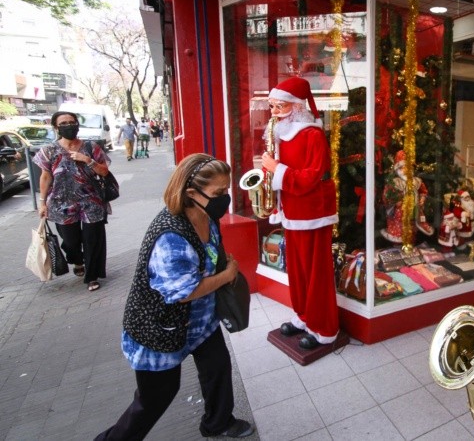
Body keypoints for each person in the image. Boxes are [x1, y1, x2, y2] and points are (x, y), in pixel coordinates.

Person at [94, 154, 253, 440]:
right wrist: (227, 276)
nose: (225, 198)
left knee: (217, 367)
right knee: (154, 399)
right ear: (191, 193)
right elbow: (183, 293)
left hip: (201, 322)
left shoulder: (206, 216)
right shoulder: (171, 236)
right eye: (219, 193)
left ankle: (218, 423)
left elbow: (208, 258)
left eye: (227, 190)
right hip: (161, 330)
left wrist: (219, 265)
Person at [260, 77, 339, 350]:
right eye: (271, 107)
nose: (273, 113)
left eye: (278, 106)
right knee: (298, 271)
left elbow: (312, 177)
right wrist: (269, 173)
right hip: (291, 211)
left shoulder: (312, 135)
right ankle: (304, 316)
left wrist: (276, 169)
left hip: (313, 211)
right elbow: (280, 172)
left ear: (295, 106)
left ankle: (324, 328)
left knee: (316, 273)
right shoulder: (280, 133)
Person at [34, 111, 111, 292]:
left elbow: (105, 172)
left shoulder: (91, 147)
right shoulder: (49, 151)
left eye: (72, 122)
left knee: (93, 240)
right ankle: (77, 260)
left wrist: (88, 160)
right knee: (71, 242)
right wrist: (42, 202)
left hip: (91, 201)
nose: (69, 126)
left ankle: (92, 276)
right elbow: (45, 178)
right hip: (62, 204)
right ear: (56, 127)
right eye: (64, 123)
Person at [380, 150, 435, 244]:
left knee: (412, 228)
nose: (405, 170)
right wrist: (395, 202)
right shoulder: (394, 183)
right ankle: (398, 245)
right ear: (397, 169)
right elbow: (386, 196)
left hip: (414, 209)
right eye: (402, 168)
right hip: (399, 213)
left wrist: (422, 199)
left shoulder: (417, 181)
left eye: (408, 167)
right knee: (399, 231)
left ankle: (410, 243)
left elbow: (423, 192)